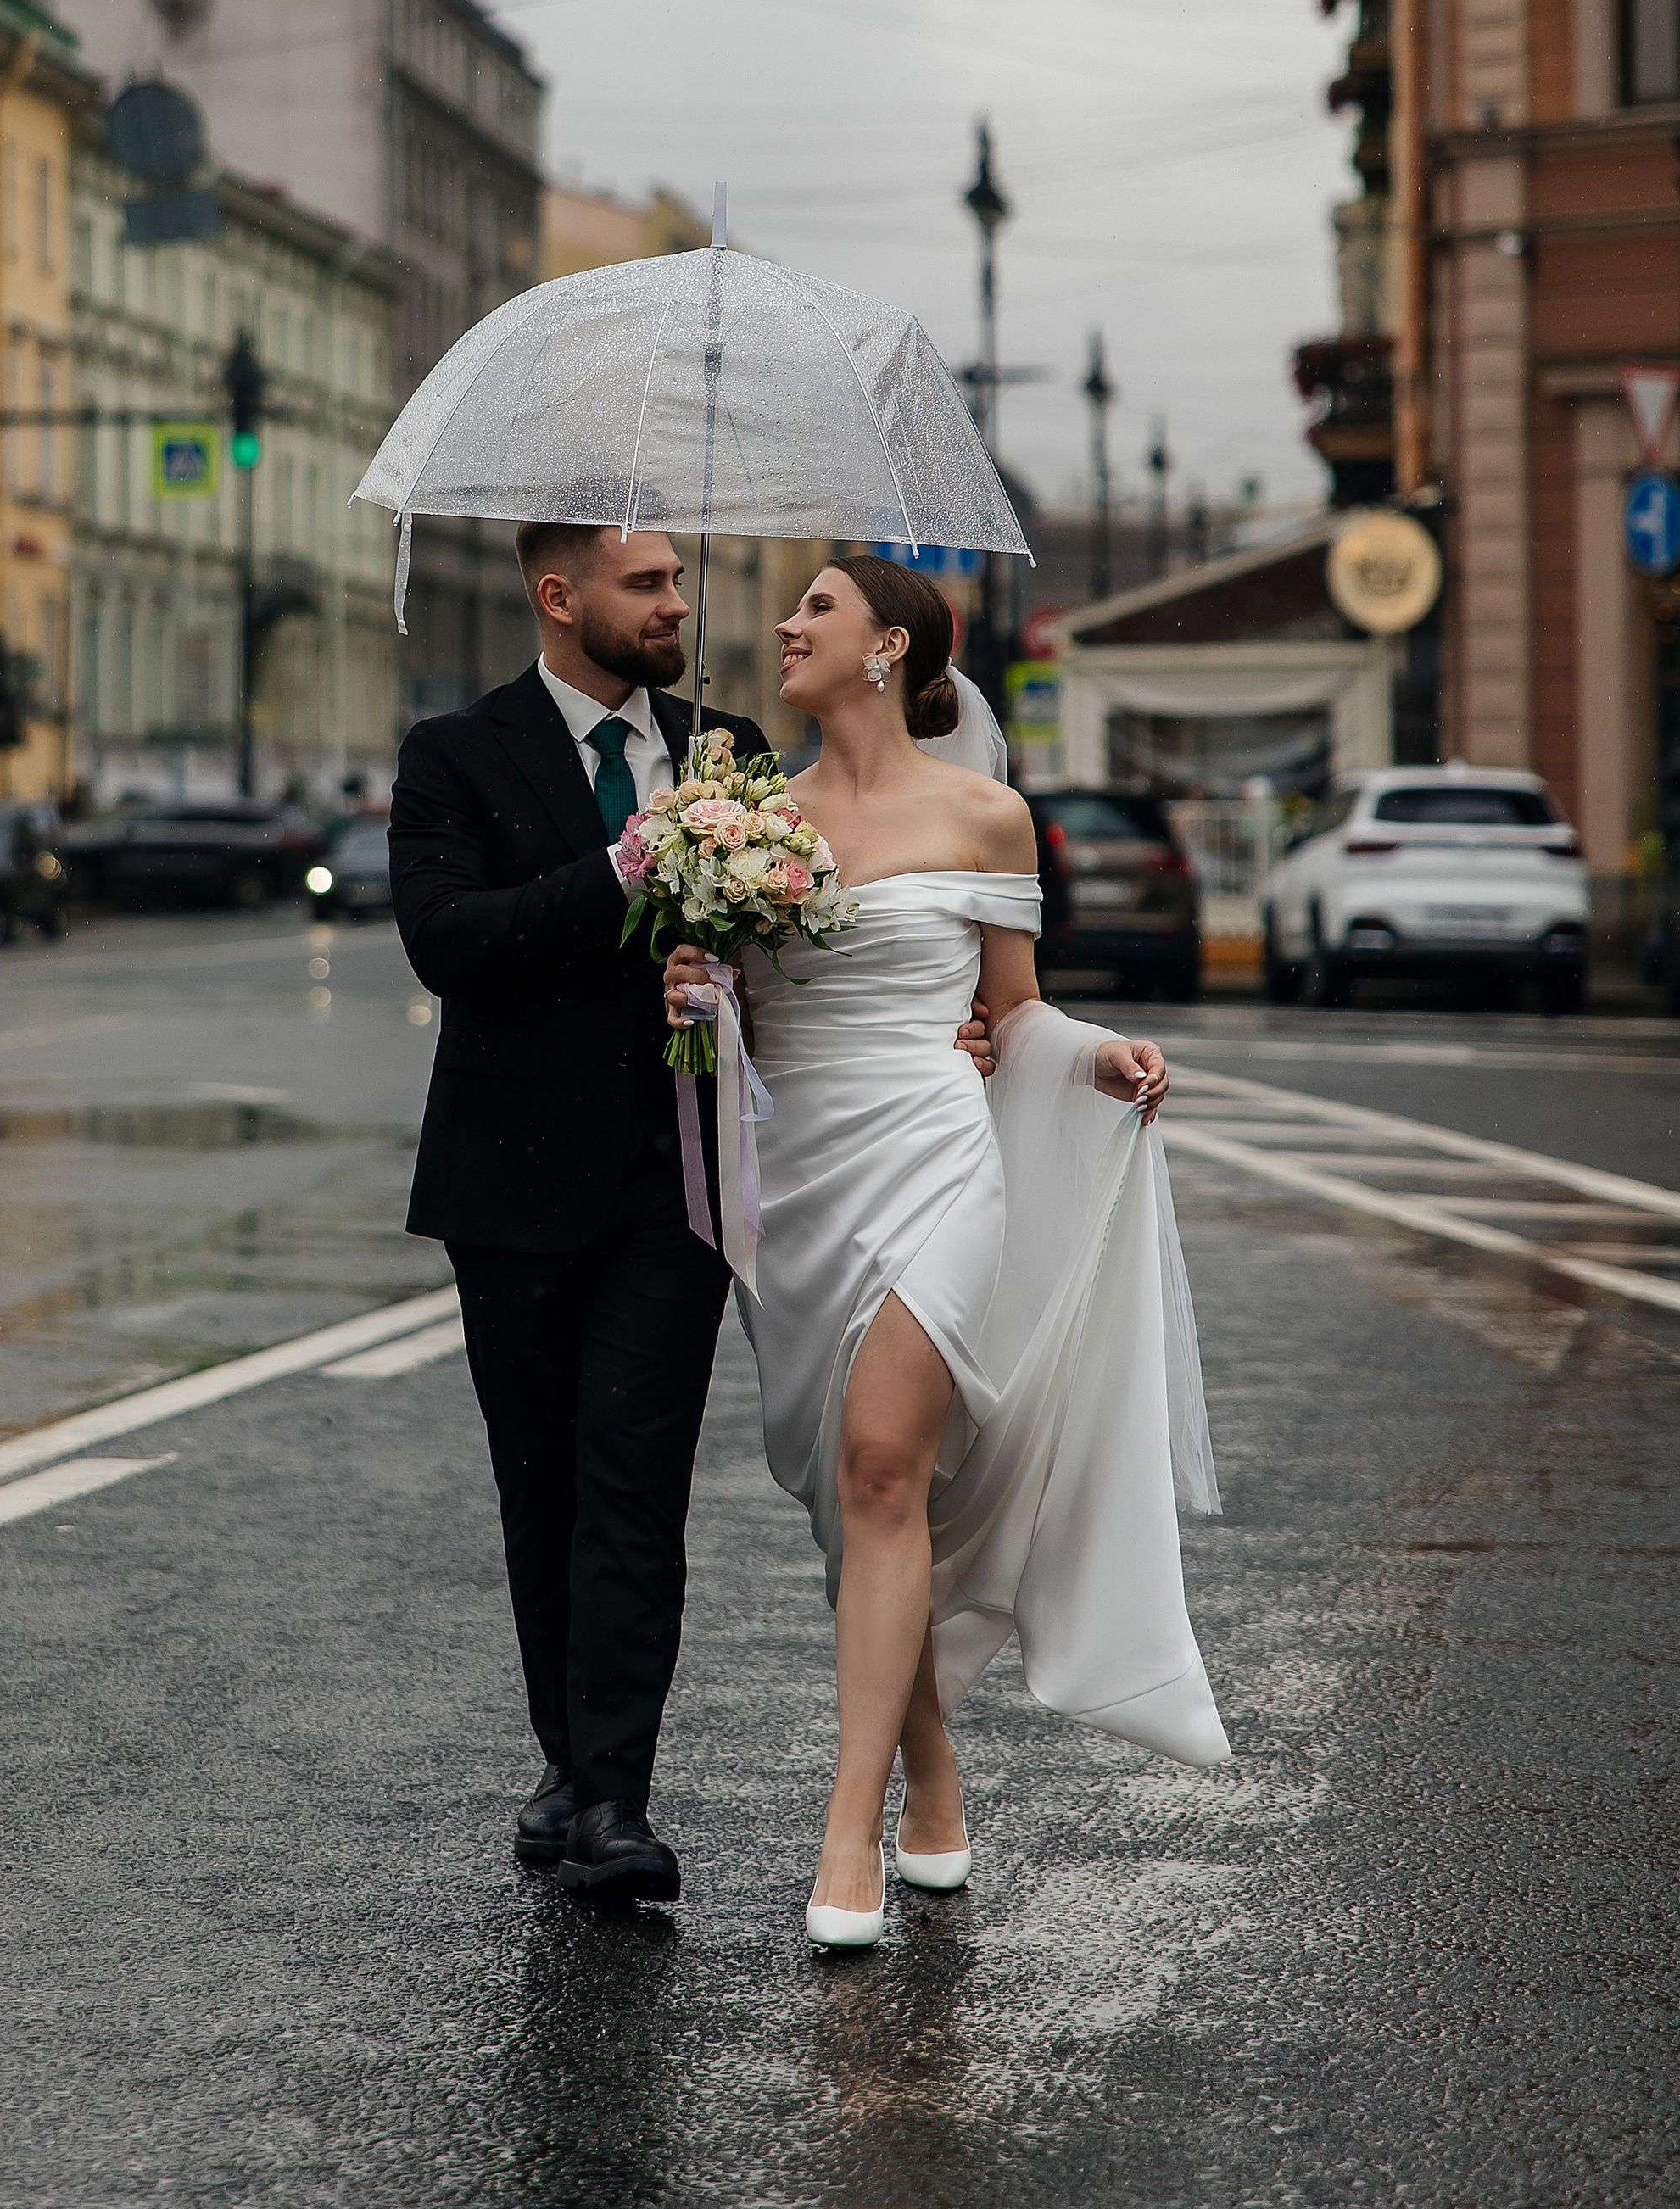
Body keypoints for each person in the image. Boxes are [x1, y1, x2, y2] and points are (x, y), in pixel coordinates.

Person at [665, 556, 1227, 1953]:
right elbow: (709, 1022)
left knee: (880, 1470)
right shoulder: (733, 821)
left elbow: (1013, 1013)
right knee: (853, 1504)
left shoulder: (989, 817)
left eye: (817, 610)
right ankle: (929, 1764)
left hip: (934, 1159)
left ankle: (845, 1829)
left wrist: (1099, 1059)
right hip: (793, 1186)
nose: (785, 628)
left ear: (886, 649)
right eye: (788, 608)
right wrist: (688, 989)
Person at [387, 523, 773, 1905]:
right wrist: (620, 873)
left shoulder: (729, 753)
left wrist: (721, 966)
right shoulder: (456, 753)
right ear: (561, 599)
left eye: (679, 580)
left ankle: (616, 1796)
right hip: (510, 1179)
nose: (679, 603)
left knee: (633, 1485)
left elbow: (787, 945)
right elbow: (447, 940)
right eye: (647, 584)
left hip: (674, 1181)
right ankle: (564, 1759)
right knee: (541, 1486)